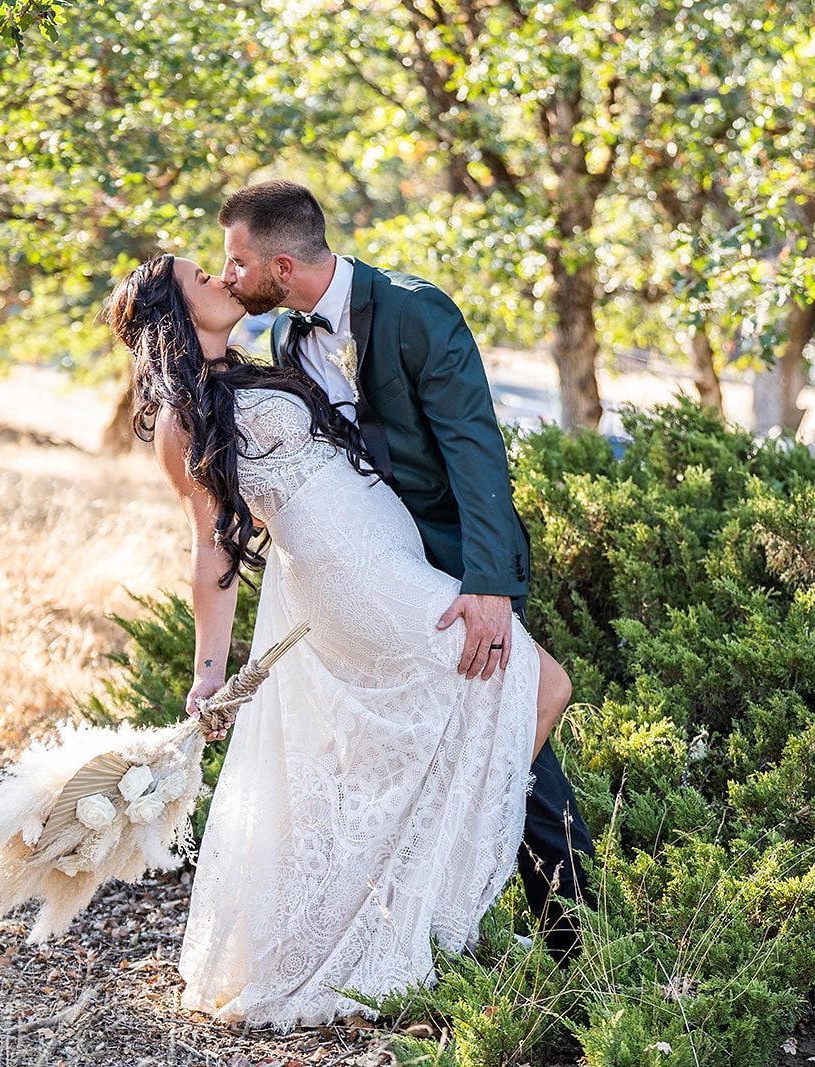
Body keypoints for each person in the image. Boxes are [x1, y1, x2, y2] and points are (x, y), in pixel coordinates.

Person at [105, 252, 573, 1030]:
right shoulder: (182, 418)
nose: (224, 279)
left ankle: (409, 888)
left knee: (455, 725)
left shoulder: (263, 359)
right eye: (203, 277)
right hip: (351, 578)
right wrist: (208, 673)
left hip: (385, 557)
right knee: (542, 684)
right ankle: (436, 887)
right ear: (174, 315)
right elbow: (210, 548)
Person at [218, 181, 596, 963]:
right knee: (394, 750)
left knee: (512, 734)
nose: (228, 276)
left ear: (282, 265)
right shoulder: (289, 341)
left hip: (450, 569)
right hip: (369, 579)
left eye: (238, 260)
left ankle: (579, 948)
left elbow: (474, 447)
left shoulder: (418, 312)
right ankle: (404, 933)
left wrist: (488, 586)